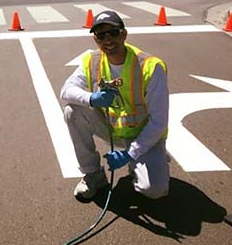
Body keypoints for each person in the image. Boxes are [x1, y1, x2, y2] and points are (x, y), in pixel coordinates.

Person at [60, 10, 170, 200]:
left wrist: (130, 153)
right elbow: (66, 90)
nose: (108, 39)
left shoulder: (151, 67)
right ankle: (94, 174)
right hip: (112, 129)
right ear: (96, 40)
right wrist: (91, 98)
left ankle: (149, 157)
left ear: (124, 34)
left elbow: (159, 122)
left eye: (113, 32)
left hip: (142, 134)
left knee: (155, 190)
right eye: (101, 35)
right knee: (72, 111)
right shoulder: (92, 61)